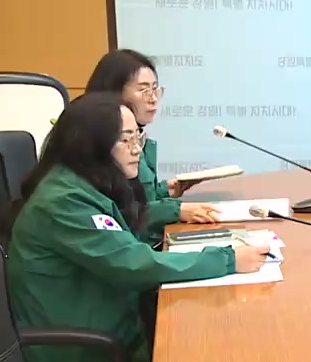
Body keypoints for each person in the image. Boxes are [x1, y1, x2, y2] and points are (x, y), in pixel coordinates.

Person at [6, 93, 271, 362]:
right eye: (125, 140)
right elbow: (132, 263)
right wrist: (228, 260)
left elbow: (126, 237)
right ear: (92, 145)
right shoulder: (63, 202)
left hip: (112, 331)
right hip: (86, 359)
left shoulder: (82, 184)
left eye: (138, 138)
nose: (137, 150)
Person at [84, 49, 220, 245]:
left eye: (155, 89)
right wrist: (175, 210)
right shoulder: (99, 142)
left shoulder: (137, 137)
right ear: (114, 92)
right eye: (143, 90)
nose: (153, 98)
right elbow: (115, 212)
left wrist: (165, 191)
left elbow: (138, 198)